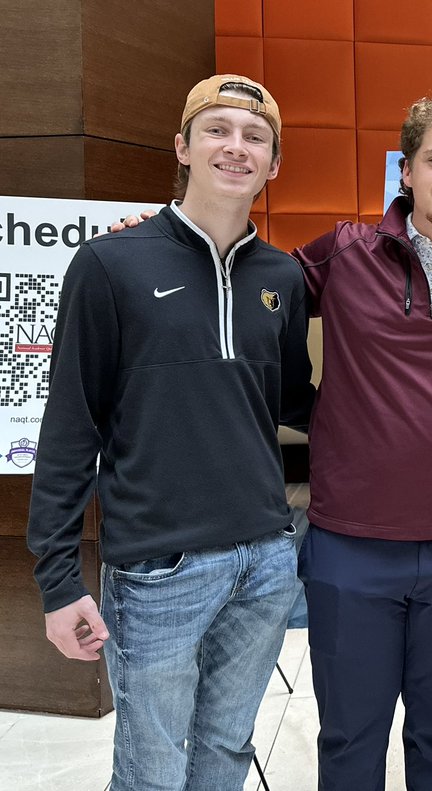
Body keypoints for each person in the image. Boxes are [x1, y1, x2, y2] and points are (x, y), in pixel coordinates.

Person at [27, 74, 313, 790]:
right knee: (151, 769)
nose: (236, 147)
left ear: (274, 163)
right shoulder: (108, 265)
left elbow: (291, 402)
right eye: (217, 130)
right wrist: (58, 579)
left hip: (266, 561)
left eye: (255, 137)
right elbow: (69, 425)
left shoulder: (281, 274)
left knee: (225, 752)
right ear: (183, 146)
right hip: (160, 569)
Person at [292, 91, 432, 791]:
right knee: (350, 735)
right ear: (406, 173)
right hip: (350, 545)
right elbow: (243, 290)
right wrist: (159, 232)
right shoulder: (343, 253)